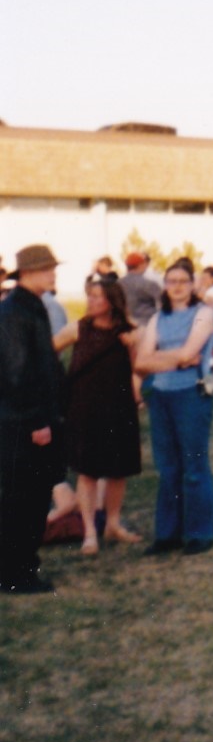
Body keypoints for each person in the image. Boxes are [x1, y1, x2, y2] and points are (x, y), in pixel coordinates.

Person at [135, 259, 213, 555]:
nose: (178, 286)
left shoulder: (204, 314)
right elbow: (142, 362)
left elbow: (189, 353)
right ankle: (167, 534)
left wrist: (162, 356)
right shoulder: (159, 318)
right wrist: (177, 358)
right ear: (165, 286)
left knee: (194, 467)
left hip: (192, 395)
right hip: (161, 395)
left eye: (183, 281)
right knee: (168, 468)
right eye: (171, 281)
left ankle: (199, 533)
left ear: (193, 284)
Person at [0, 245, 67, 594]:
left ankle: (23, 566)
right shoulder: (14, 312)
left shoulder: (30, 306)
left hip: (30, 421)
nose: (53, 274)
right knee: (22, 499)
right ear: (28, 273)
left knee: (33, 497)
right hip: (22, 426)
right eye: (47, 269)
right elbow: (15, 373)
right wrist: (37, 421)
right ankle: (16, 573)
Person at [62, 276, 144, 554]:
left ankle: (113, 524)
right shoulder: (78, 329)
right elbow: (46, 353)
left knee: (118, 470)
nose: (93, 301)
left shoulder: (128, 332)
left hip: (119, 406)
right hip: (85, 408)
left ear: (113, 301)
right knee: (88, 472)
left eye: (99, 297)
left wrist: (136, 390)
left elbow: (139, 368)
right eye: (90, 296)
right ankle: (89, 532)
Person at [120, 251, 162, 325]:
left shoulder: (117, 284)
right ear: (141, 265)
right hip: (147, 322)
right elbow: (163, 302)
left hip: (123, 323)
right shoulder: (150, 284)